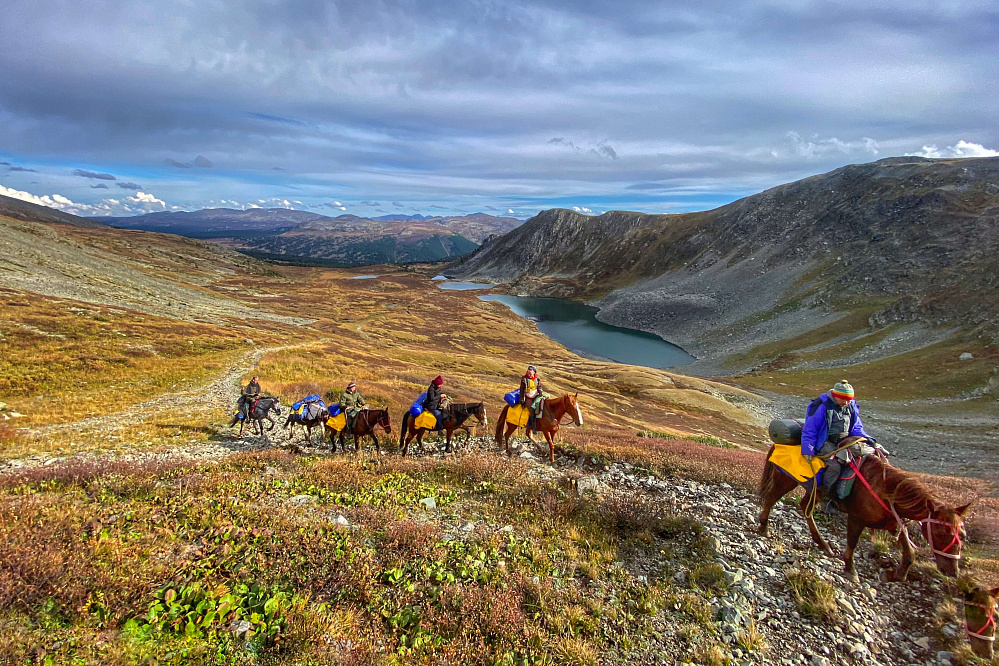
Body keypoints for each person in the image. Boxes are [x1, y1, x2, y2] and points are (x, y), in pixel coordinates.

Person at [801, 380, 881, 512]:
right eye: (844, 400)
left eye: (849, 400)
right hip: (825, 442)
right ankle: (826, 499)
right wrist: (808, 449)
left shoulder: (851, 406)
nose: (846, 403)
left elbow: (856, 427)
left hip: (844, 441)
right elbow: (810, 429)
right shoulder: (821, 405)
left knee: (865, 459)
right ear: (836, 396)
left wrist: (869, 440)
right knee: (835, 467)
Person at [519, 365, 545, 432]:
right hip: (528, 396)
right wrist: (522, 398)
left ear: (534, 373)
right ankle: (533, 426)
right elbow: (522, 389)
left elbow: (539, 386)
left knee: (542, 405)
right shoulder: (524, 379)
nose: (529, 374)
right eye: (528, 373)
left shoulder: (537, 378)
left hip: (536, 394)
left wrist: (540, 391)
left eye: (530, 373)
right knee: (531, 409)